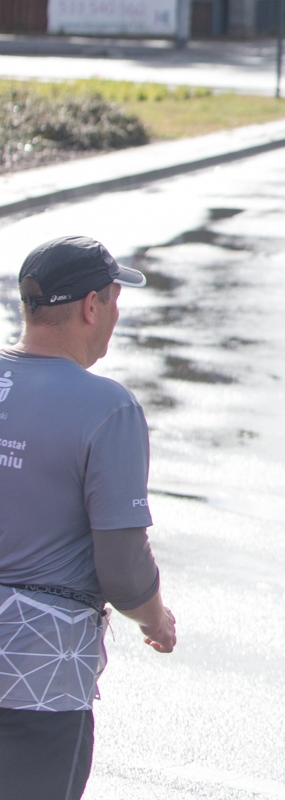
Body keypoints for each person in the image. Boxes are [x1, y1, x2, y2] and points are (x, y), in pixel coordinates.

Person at [0, 237, 176, 800]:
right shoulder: (108, 409)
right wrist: (154, 617)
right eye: (115, 301)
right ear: (91, 307)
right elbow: (122, 571)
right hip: (35, 677)